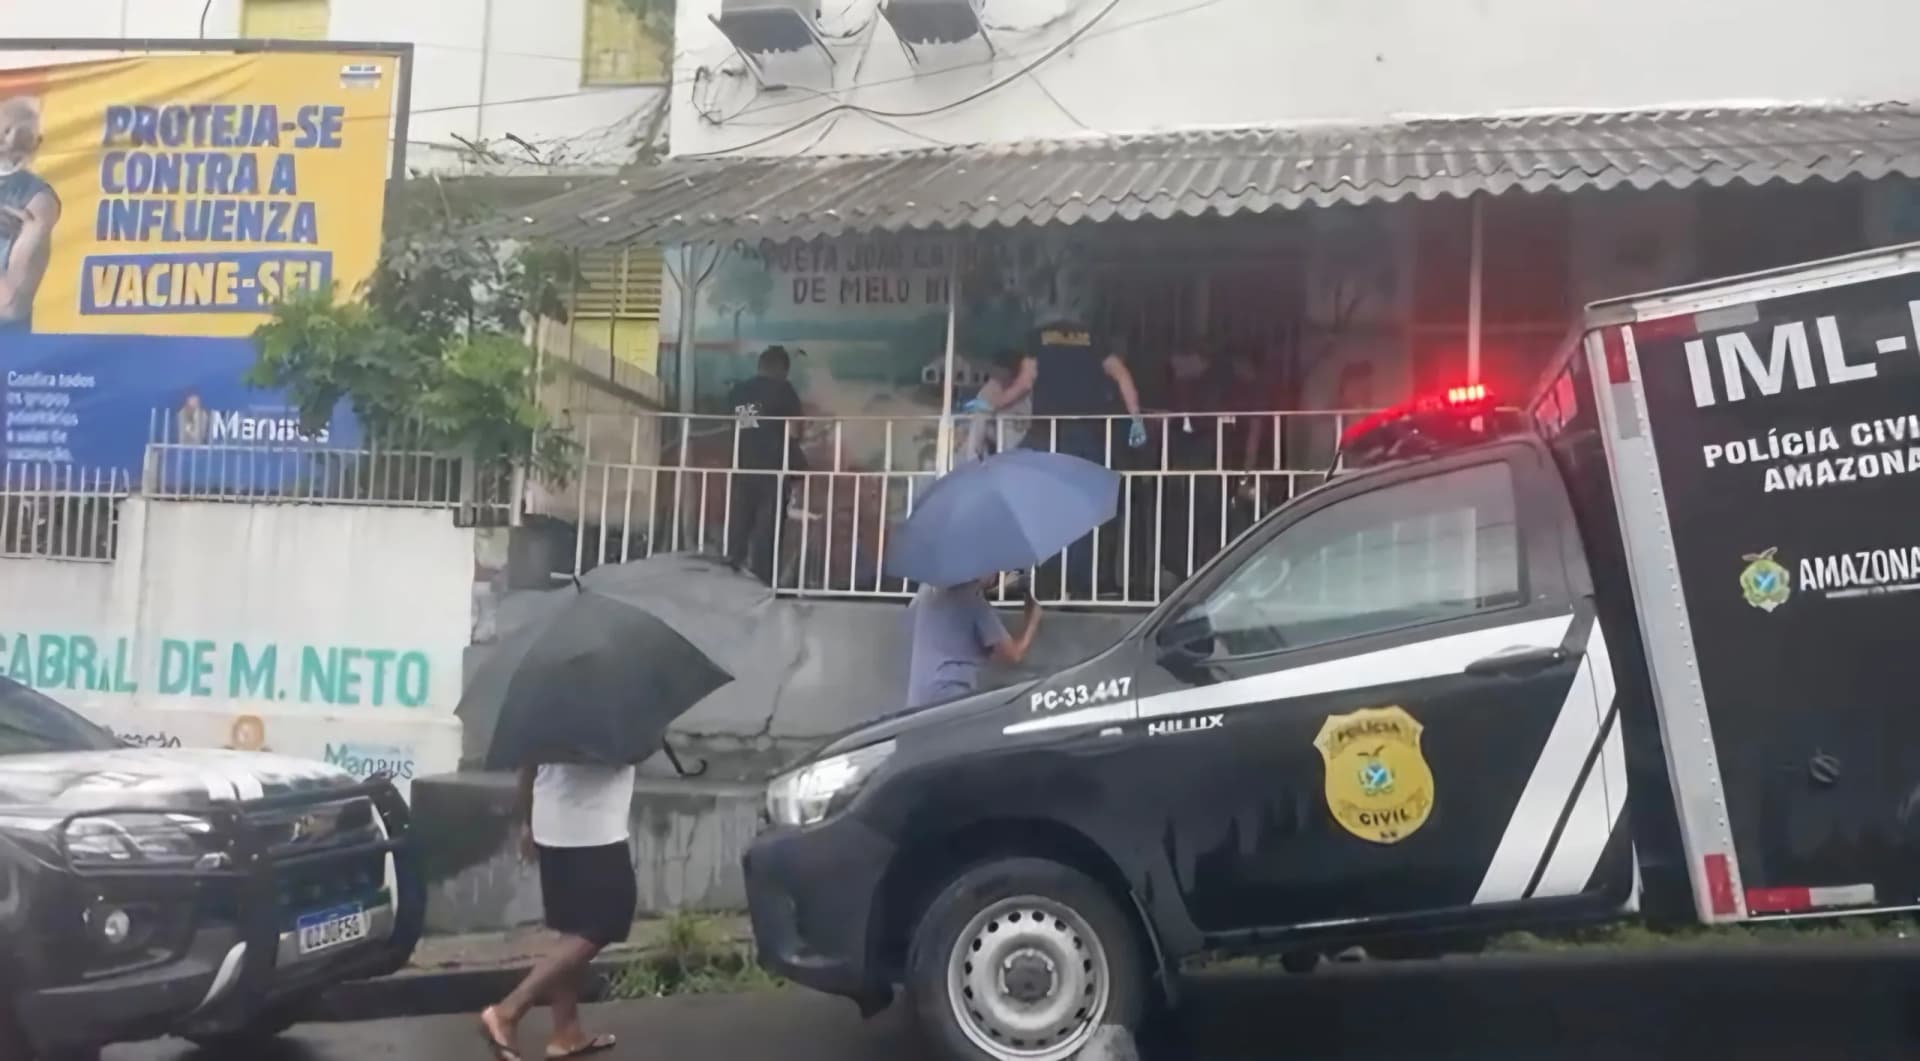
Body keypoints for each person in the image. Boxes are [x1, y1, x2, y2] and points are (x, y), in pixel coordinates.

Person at [970, 319, 1147, 597]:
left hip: (1049, 431)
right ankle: (1082, 585)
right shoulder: (1092, 334)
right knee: (1087, 508)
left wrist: (990, 405)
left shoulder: (1038, 336)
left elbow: (1026, 381)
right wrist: (1136, 418)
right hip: (1088, 433)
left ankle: (1049, 581)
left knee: (1043, 505)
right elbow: (1122, 375)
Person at [480, 760, 637, 1061]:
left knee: (572, 929)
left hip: (550, 823)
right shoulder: (610, 716)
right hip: (595, 831)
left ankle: (567, 1032)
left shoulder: (548, 715)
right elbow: (629, 752)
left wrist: (529, 822)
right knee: (607, 921)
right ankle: (508, 1010)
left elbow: (527, 767)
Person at [725, 345, 803, 584]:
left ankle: (731, 577)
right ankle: (762, 584)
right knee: (767, 532)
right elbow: (796, 431)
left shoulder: (739, 391)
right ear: (782, 369)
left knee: (739, 526)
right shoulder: (784, 389)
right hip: (773, 468)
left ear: (760, 365)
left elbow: (735, 424)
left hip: (742, 465)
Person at [905, 578, 1042, 709]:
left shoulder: (926, 590)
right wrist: (1032, 619)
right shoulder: (973, 601)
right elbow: (1013, 655)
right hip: (950, 697)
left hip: (917, 698)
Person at [0, 95, 59, 334]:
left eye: (21, 134)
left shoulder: (38, 201)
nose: (9, 141)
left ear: (37, 143)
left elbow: (12, 305)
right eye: (4, 131)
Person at [960, 348, 1033, 462]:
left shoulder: (1022, 388)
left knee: (986, 417)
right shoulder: (992, 386)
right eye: (996, 369)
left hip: (1015, 431)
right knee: (976, 420)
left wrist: (990, 405)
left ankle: (993, 459)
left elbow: (999, 404)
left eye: (1001, 369)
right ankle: (972, 459)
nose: (996, 373)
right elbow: (979, 405)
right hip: (995, 430)